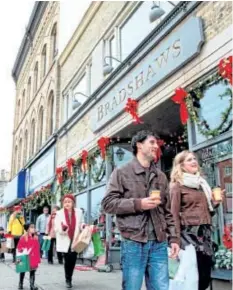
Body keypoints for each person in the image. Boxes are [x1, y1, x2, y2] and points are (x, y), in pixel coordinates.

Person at [101, 130, 180, 290]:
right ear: (138, 145)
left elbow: (167, 211)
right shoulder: (121, 172)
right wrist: (139, 204)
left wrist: (174, 238)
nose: (155, 146)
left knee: (161, 287)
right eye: (151, 142)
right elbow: (108, 204)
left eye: (156, 144)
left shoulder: (161, 177)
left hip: (159, 242)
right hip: (133, 242)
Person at [170, 150, 224, 290]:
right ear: (181, 166)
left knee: (205, 274)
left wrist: (215, 203)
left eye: (194, 159)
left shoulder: (201, 185)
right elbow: (173, 214)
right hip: (188, 234)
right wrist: (175, 239)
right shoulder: (177, 186)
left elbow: (206, 213)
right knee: (193, 275)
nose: (194, 161)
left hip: (204, 233)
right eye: (189, 160)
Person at [55, 194, 84, 289]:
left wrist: (83, 226)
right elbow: (56, 227)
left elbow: (81, 223)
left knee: (73, 260)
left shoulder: (79, 212)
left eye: (69, 202)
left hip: (75, 239)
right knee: (67, 260)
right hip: (65, 239)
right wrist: (62, 229)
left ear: (73, 203)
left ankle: (69, 276)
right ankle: (68, 279)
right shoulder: (59, 213)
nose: (67, 203)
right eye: (65, 202)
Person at [17, 223, 40, 290]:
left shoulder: (35, 237)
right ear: (27, 229)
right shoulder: (23, 237)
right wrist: (24, 250)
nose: (34, 228)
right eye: (32, 227)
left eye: (34, 227)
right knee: (22, 271)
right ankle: (20, 284)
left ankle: (32, 285)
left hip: (33, 257)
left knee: (32, 271)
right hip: (25, 257)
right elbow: (19, 247)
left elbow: (37, 247)